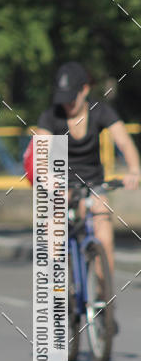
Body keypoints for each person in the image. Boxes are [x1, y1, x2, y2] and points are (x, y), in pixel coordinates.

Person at [36, 62, 140, 276]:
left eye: (71, 97)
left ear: (85, 89)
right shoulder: (51, 116)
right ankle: (58, 289)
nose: (67, 104)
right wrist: (44, 175)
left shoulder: (100, 111)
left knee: (103, 230)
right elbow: (40, 151)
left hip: (94, 183)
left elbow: (124, 142)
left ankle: (104, 297)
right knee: (52, 235)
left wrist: (134, 170)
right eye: (62, 98)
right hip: (61, 183)